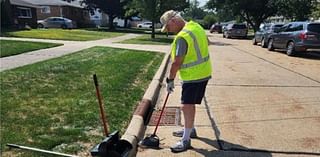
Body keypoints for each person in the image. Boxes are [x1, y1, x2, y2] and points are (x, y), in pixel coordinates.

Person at [160, 10, 212, 153]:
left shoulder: (183, 37)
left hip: (193, 76)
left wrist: (170, 80)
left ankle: (186, 139)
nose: (169, 31)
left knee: (186, 106)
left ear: (173, 21)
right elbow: (208, 42)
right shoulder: (195, 26)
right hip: (203, 72)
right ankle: (190, 130)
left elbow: (176, 63)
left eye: (168, 28)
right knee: (190, 104)